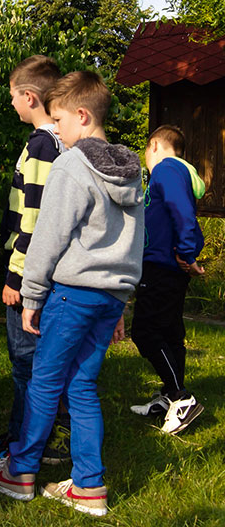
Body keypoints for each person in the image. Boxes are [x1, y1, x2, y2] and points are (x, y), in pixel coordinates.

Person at [0, 71, 144, 517]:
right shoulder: (131, 168)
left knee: (44, 382)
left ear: (82, 115)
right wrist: (123, 299)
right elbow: (132, 243)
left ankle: (21, 471)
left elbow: (48, 235)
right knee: (83, 386)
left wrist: (31, 295)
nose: (55, 130)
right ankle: (89, 486)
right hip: (110, 295)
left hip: (71, 293)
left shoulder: (72, 163)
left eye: (59, 120)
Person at [0, 55, 71, 464]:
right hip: (55, 272)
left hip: (32, 273)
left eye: (13, 96)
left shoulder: (38, 147)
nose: (11, 104)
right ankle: (43, 436)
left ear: (29, 96)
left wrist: (16, 278)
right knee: (46, 360)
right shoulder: (63, 141)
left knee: (26, 363)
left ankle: (24, 443)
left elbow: (34, 219)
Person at [130, 125, 205, 434]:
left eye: (146, 153)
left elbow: (183, 213)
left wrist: (187, 253)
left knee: (145, 332)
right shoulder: (176, 173)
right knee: (171, 333)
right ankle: (168, 396)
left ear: (155, 146)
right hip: (166, 268)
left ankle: (181, 398)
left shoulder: (166, 169)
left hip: (161, 268)